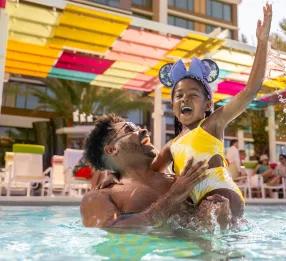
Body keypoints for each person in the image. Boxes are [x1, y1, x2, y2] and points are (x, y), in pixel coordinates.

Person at [151, 4, 272, 216]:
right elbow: (151, 173)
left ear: (208, 105)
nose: (184, 99)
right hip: (201, 206)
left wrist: (262, 42)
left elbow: (250, 90)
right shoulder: (171, 147)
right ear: (173, 106)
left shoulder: (211, 124)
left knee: (207, 215)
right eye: (178, 96)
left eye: (193, 95)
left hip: (225, 195)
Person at [80, 114, 232, 230]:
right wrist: (172, 197)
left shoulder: (182, 180)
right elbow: (113, 231)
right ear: (112, 149)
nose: (144, 130)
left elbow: (205, 230)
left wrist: (217, 214)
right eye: (130, 129)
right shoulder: (98, 197)